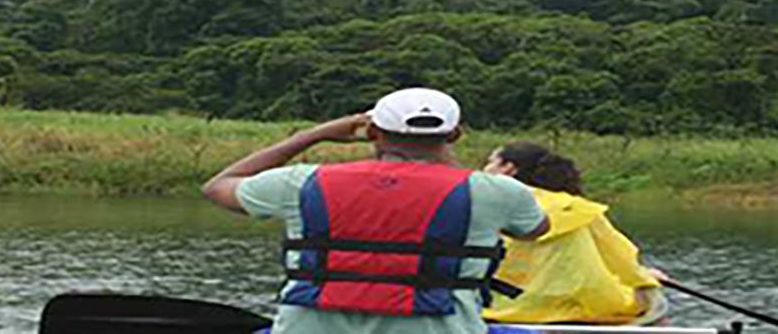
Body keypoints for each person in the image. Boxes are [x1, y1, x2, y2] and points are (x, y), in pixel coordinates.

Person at [201, 88, 550, 334]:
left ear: (371, 132)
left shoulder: (302, 182)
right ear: (455, 134)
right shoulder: (494, 191)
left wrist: (311, 135)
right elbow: (536, 228)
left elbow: (218, 186)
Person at [479, 142, 669, 325]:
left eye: (490, 162)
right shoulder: (576, 209)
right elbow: (621, 261)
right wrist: (647, 279)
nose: (484, 168)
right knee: (650, 301)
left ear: (508, 168)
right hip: (572, 308)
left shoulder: (479, 205)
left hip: (493, 309)